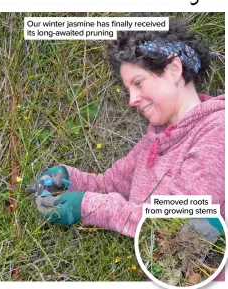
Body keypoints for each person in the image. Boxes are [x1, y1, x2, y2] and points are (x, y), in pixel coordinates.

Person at [34, 19, 225, 239]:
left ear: (173, 69)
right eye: (128, 89)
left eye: (139, 82)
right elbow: (110, 185)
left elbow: (178, 224)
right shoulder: (154, 142)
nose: (132, 100)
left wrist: (88, 207)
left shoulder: (218, 132)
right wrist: (66, 177)